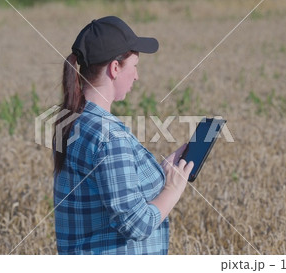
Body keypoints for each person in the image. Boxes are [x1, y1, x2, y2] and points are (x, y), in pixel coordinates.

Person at [52, 16, 193, 254]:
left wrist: (161, 172)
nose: (137, 76)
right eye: (135, 66)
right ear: (115, 68)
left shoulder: (74, 122)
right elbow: (136, 225)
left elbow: (111, 190)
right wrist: (173, 189)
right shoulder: (109, 137)